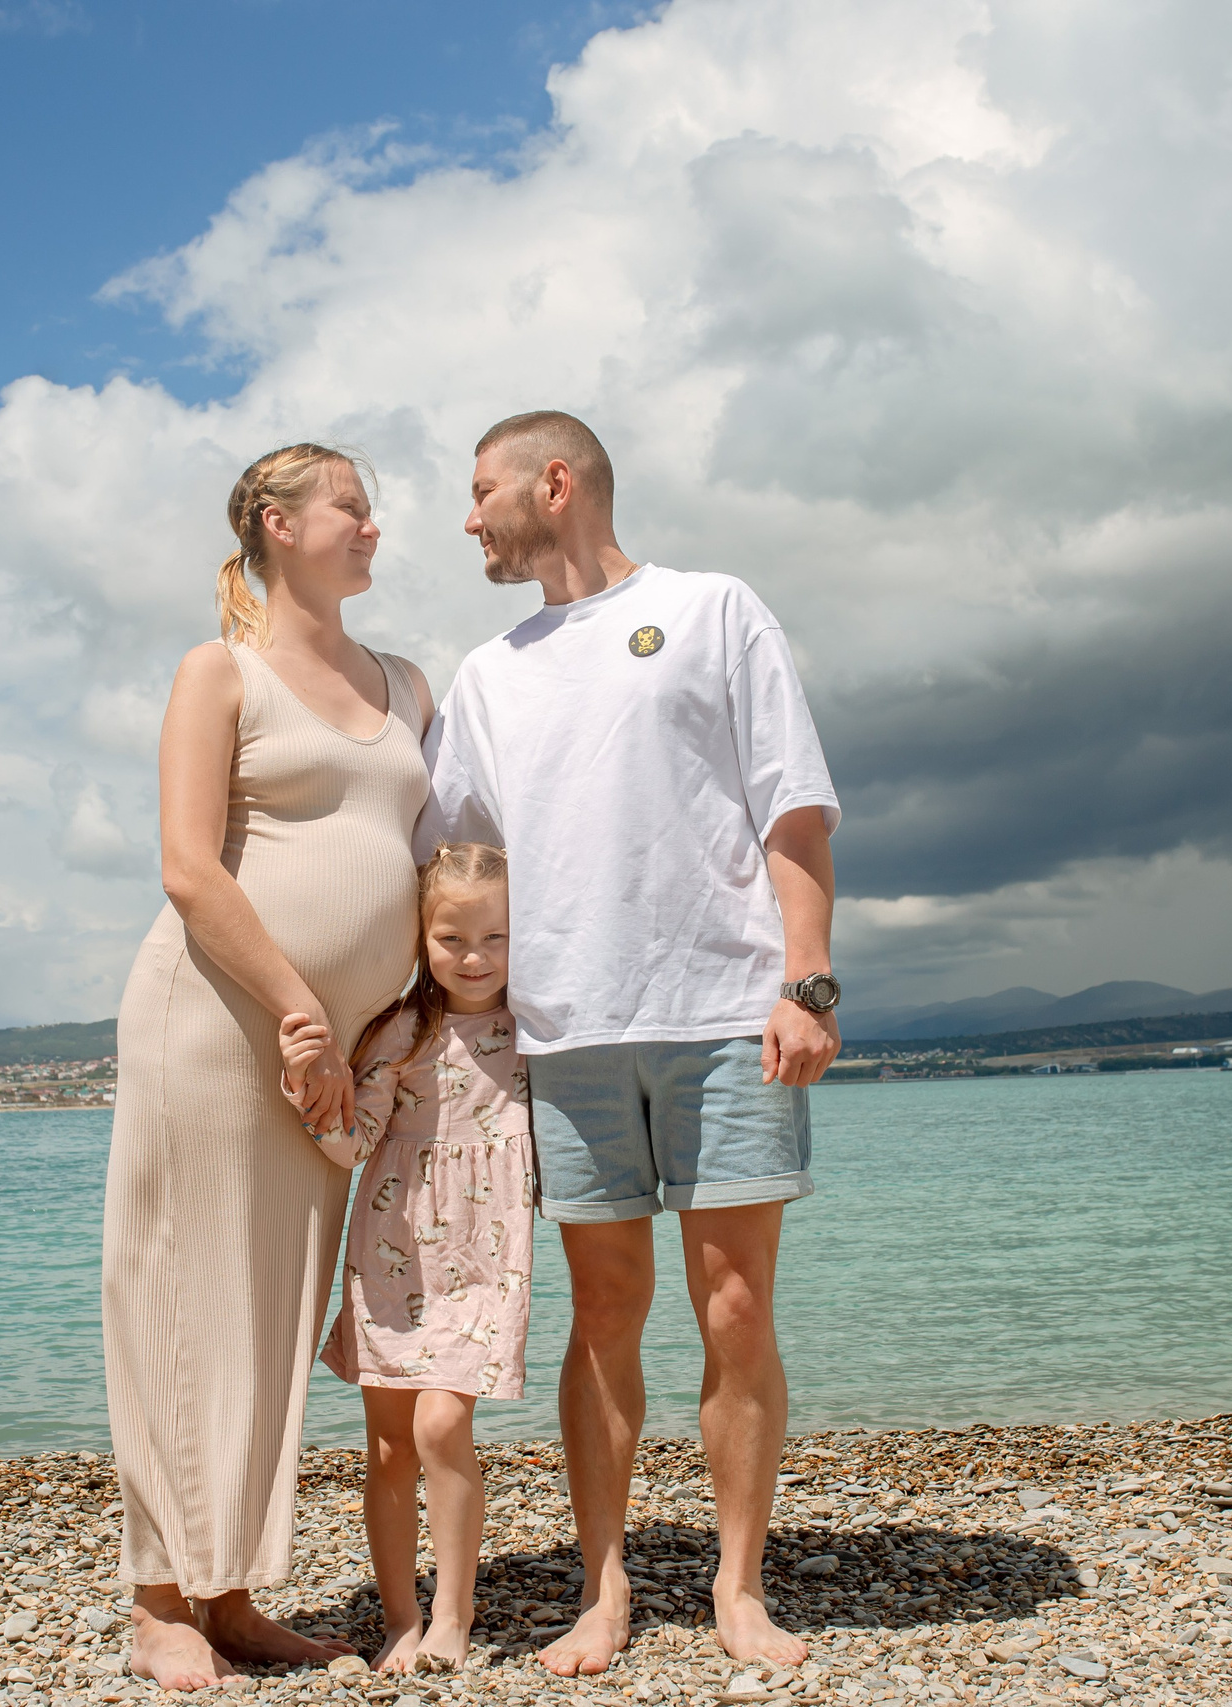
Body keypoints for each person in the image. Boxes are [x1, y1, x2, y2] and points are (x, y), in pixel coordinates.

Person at [418, 411, 844, 1675]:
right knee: (602, 1311)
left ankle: (739, 1586)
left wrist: (806, 983)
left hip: (723, 1014)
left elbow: (794, 803)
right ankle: (601, 1588)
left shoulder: (713, 610)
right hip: (568, 1030)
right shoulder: (489, 674)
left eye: (482, 490)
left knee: (733, 1307)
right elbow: (446, 862)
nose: (470, 516)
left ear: (556, 485)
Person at [102, 443, 435, 1692]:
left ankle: (230, 1594)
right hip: (216, 1026)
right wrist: (299, 1012)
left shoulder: (405, 682)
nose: (373, 525)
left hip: (340, 1058)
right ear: (278, 523)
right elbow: (190, 868)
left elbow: (436, 851)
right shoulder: (219, 671)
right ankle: (157, 1601)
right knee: (178, 1299)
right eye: (353, 505)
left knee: (274, 1314)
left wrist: (394, 1026)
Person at [274, 842, 534, 1675]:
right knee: (388, 1445)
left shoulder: (536, 1028)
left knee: (441, 1420)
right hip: (393, 1254)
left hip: (484, 1255)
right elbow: (353, 1145)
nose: (475, 957)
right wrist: (312, 1088)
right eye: (453, 937)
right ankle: (400, 1616)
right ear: (420, 936)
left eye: (494, 938)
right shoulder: (400, 1030)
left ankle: (455, 1613)